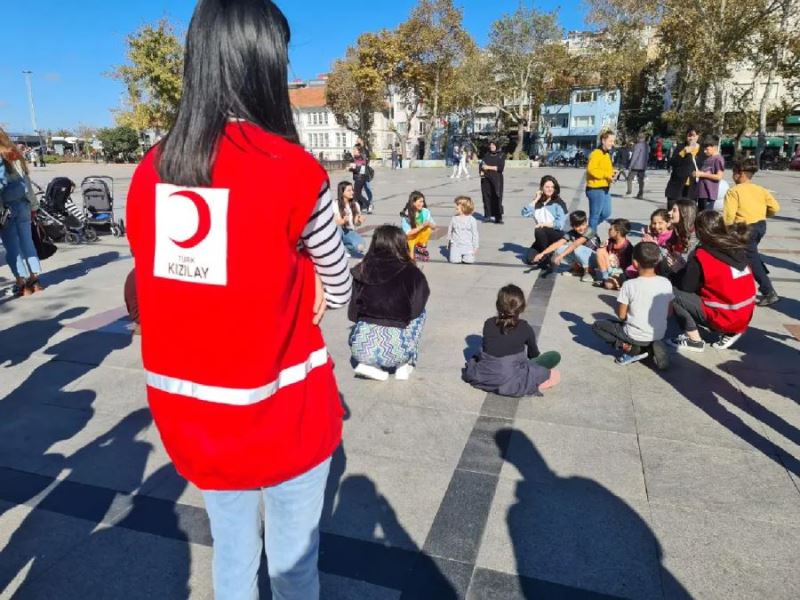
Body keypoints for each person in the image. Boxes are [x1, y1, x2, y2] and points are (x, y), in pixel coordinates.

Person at [125, 2, 352, 598]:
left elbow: (155, 279)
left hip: (196, 416)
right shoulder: (294, 170)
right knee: (294, 565)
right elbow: (341, 280)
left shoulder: (153, 170)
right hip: (284, 412)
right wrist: (315, 283)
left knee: (231, 556)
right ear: (264, 63)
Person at [348, 225, 429, 381]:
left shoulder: (362, 269)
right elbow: (417, 309)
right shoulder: (412, 272)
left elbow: (353, 313)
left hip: (360, 347)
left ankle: (370, 365)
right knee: (421, 312)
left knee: (364, 323)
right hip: (398, 349)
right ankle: (404, 365)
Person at [669, 211, 756, 352]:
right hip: (744, 313)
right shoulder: (735, 246)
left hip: (726, 316)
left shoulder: (703, 255)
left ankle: (694, 340)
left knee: (671, 291)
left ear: (699, 231)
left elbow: (686, 287)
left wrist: (677, 269)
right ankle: (731, 331)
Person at [463, 284, 561, 397]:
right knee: (554, 373)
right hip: (509, 379)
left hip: (484, 375)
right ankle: (534, 382)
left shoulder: (488, 323)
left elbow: (489, 347)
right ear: (522, 307)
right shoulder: (525, 327)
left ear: (497, 305)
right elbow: (533, 354)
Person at [592, 242, 672, 368]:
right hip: (659, 333)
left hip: (635, 335)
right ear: (657, 261)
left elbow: (621, 315)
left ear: (634, 263)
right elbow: (669, 313)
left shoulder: (629, 285)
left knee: (598, 326)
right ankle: (651, 346)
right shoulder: (666, 283)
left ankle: (631, 349)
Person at [723, 157, 781, 306]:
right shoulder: (761, 190)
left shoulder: (734, 191)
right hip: (760, 226)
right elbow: (775, 208)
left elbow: (729, 216)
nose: (732, 176)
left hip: (743, 229)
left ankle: (768, 291)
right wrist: (762, 215)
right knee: (750, 255)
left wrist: (725, 231)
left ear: (740, 173)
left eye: (734, 173)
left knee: (750, 258)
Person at [0, 127, 44, 296]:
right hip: (24, 204)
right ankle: (35, 279)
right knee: (27, 241)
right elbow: (27, 183)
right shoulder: (15, 154)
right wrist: (34, 206)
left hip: (6, 207)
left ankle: (22, 282)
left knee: (12, 247)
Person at [532, 210, 601, 281]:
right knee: (560, 249)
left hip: (595, 258)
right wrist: (542, 253)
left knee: (577, 249)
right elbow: (558, 243)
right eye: (577, 226)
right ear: (572, 226)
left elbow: (575, 244)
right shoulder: (572, 233)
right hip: (583, 256)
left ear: (586, 222)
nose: (581, 228)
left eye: (583, 224)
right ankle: (577, 270)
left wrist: (560, 256)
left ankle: (590, 272)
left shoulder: (590, 231)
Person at [522, 175, 568, 267]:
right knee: (529, 259)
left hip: (556, 234)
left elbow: (560, 225)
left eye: (552, 187)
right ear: (541, 188)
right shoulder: (538, 203)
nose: (550, 189)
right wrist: (535, 199)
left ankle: (546, 254)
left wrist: (544, 224)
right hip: (542, 238)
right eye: (547, 187)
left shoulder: (558, 203)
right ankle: (547, 254)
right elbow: (525, 213)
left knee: (539, 230)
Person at [585, 130, 616, 234]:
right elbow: (591, 169)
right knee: (595, 215)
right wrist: (606, 175)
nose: (613, 143)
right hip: (595, 189)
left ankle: (587, 231)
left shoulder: (606, 154)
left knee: (606, 213)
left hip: (605, 188)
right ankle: (590, 237)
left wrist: (612, 173)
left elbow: (605, 169)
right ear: (603, 140)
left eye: (613, 141)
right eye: (610, 141)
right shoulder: (596, 153)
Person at [665, 127, 701, 209]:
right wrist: (683, 152)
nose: (691, 138)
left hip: (693, 187)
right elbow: (672, 162)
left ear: (698, 136)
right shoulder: (680, 147)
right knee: (672, 209)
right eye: (689, 136)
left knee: (688, 212)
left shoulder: (702, 150)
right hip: (677, 185)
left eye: (693, 136)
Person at [593, 218, 633, 290]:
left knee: (608, 285)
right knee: (600, 250)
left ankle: (611, 281)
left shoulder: (628, 247)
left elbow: (629, 266)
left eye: (611, 229)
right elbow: (602, 255)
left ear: (618, 232)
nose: (608, 231)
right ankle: (605, 277)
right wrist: (602, 246)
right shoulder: (610, 242)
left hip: (620, 272)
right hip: (610, 270)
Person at [400, 190, 436, 261]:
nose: (422, 204)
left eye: (423, 201)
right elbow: (408, 233)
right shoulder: (406, 215)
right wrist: (422, 226)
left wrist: (429, 223)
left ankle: (421, 246)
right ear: (413, 202)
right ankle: (411, 249)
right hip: (410, 238)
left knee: (428, 229)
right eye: (420, 201)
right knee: (411, 258)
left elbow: (434, 227)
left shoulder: (425, 212)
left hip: (420, 237)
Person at [334, 180, 366, 256]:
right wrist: (343, 221)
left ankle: (345, 248)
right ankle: (337, 248)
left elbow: (355, 223)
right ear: (342, 192)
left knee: (361, 246)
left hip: (349, 231)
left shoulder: (355, 204)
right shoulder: (335, 204)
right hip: (338, 231)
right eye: (349, 190)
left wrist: (359, 221)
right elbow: (334, 223)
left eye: (352, 190)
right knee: (338, 229)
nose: (352, 192)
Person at [693, 135, 725, 212]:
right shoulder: (708, 158)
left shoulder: (718, 159)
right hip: (702, 193)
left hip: (709, 194)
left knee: (705, 217)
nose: (704, 151)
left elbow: (719, 176)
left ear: (714, 147)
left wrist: (702, 174)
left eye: (707, 149)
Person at [447, 195, 479, 264]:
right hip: (456, 245)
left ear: (464, 207)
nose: (456, 207)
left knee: (469, 261)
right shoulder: (454, 218)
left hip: (468, 245)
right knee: (454, 261)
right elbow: (450, 230)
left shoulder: (472, 220)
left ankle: (467, 256)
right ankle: (456, 254)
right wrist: (449, 242)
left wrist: (475, 246)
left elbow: (475, 234)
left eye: (458, 205)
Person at [479, 141, 505, 223]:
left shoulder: (501, 155)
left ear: (496, 146)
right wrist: (481, 171)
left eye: (493, 145)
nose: (491, 147)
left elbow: (500, 168)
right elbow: (481, 165)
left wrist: (488, 167)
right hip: (486, 179)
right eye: (490, 145)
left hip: (497, 180)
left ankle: (498, 217)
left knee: (497, 197)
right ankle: (487, 216)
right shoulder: (486, 155)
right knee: (486, 197)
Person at [348, 145, 371, 213]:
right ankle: (361, 207)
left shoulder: (360, 158)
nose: (353, 151)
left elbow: (358, 169)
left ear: (359, 151)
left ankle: (368, 204)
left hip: (360, 178)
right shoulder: (357, 158)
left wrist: (350, 169)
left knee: (356, 194)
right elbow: (356, 167)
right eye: (353, 150)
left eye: (355, 150)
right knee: (357, 194)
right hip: (359, 178)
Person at [627, 134, 649, 198]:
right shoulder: (647, 146)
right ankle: (640, 193)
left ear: (639, 138)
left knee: (629, 178)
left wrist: (630, 165)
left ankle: (629, 191)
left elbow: (635, 156)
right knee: (641, 180)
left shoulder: (637, 145)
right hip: (643, 165)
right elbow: (647, 156)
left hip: (636, 165)